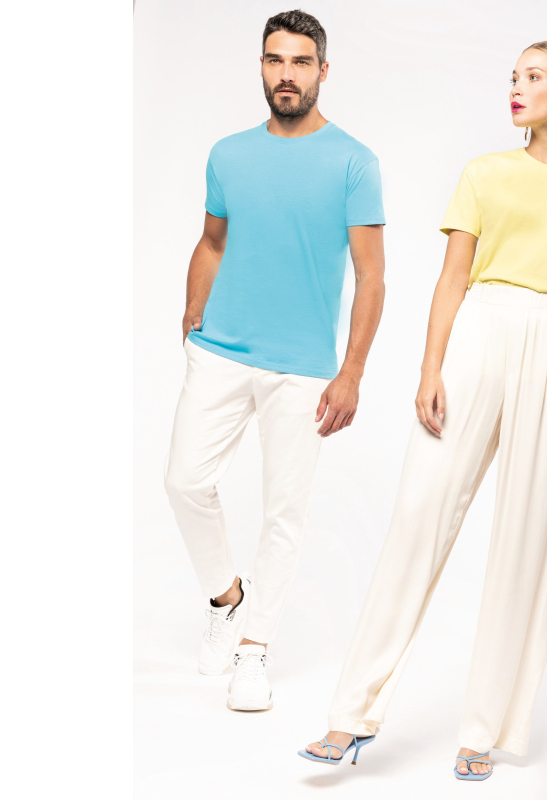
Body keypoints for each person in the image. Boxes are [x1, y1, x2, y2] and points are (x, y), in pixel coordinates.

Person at [299, 40, 547, 780]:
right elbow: (452, 278)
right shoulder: (484, 172)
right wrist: (430, 368)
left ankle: (485, 728)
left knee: (527, 537)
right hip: (479, 334)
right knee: (420, 514)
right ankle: (350, 715)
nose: (516, 88)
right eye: (513, 77)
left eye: (533, 77)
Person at [164, 9, 386, 712]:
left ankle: (254, 651)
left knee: (284, 512)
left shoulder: (354, 161)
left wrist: (351, 372)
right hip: (220, 349)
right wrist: (193, 307)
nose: (285, 74)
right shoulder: (228, 154)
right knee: (184, 481)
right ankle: (227, 599)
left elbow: (372, 277)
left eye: (299, 62)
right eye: (274, 60)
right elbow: (212, 240)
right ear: (261, 66)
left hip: (303, 366)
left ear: (323, 70)